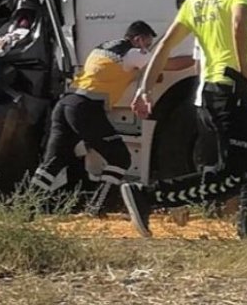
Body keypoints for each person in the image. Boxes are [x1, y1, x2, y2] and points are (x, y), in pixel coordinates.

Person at [120, 0, 247, 238]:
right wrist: (245, 66)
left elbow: (162, 47)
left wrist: (144, 88)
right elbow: (241, 20)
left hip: (208, 93)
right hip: (230, 90)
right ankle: (147, 196)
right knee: (230, 175)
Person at [31, 21, 192, 211]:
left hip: (66, 103)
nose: (147, 49)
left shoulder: (103, 47)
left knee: (53, 161)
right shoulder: (133, 53)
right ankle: (99, 207)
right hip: (87, 108)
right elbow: (167, 64)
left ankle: (27, 206)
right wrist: (197, 59)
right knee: (120, 158)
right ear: (138, 39)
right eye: (147, 45)